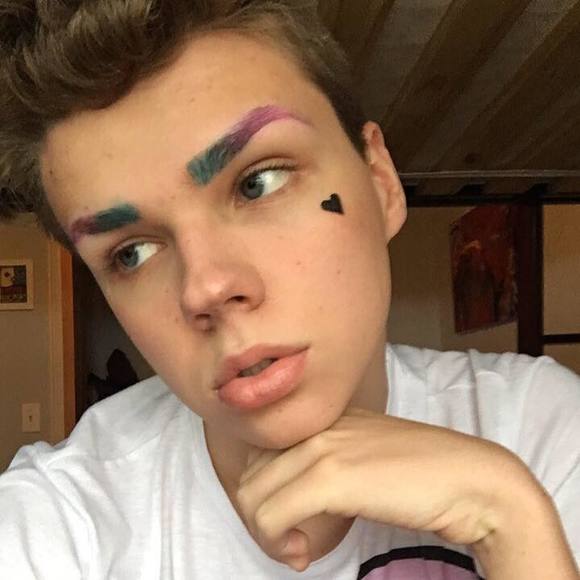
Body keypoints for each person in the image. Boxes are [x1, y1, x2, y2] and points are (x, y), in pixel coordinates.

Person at [0, 1, 578, 578]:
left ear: (381, 183)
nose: (205, 288)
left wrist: (510, 523)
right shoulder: (56, 523)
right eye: (131, 253)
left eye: (258, 182)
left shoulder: (538, 427)